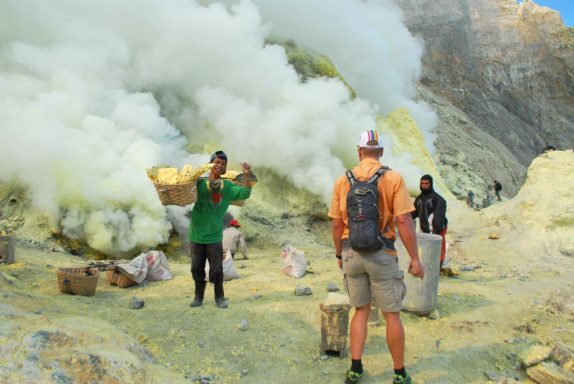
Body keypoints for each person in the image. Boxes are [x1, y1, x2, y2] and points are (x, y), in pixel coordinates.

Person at [329, 130, 424, 384]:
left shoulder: (342, 181)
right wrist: (415, 258)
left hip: (352, 253)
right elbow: (403, 219)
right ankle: (399, 373)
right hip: (382, 253)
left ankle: (356, 368)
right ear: (380, 152)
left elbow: (337, 225)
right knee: (392, 315)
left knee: (360, 311)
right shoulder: (393, 178)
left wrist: (340, 254)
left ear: (359, 151)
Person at [188, 151, 252, 309]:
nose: (219, 166)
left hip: (215, 236)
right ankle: (198, 297)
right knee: (196, 269)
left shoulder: (228, 187)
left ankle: (219, 298)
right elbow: (181, 188)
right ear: (210, 164)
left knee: (216, 269)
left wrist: (246, 175)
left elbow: (245, 192)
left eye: (223, 164)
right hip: (196, 235)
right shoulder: (199, 184)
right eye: (216, 162)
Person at [412, 175, 448, 268]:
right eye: (422, 183)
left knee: (438, 249)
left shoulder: (438, 199)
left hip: (437, 229)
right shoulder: (418, 199)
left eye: (426, 183)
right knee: (425, 250)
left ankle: (438, 267)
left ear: (431, 184)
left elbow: (439, 216)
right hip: (425, 230)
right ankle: (428, 266)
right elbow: (414, 213)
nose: (424, 185)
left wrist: (436, 231)